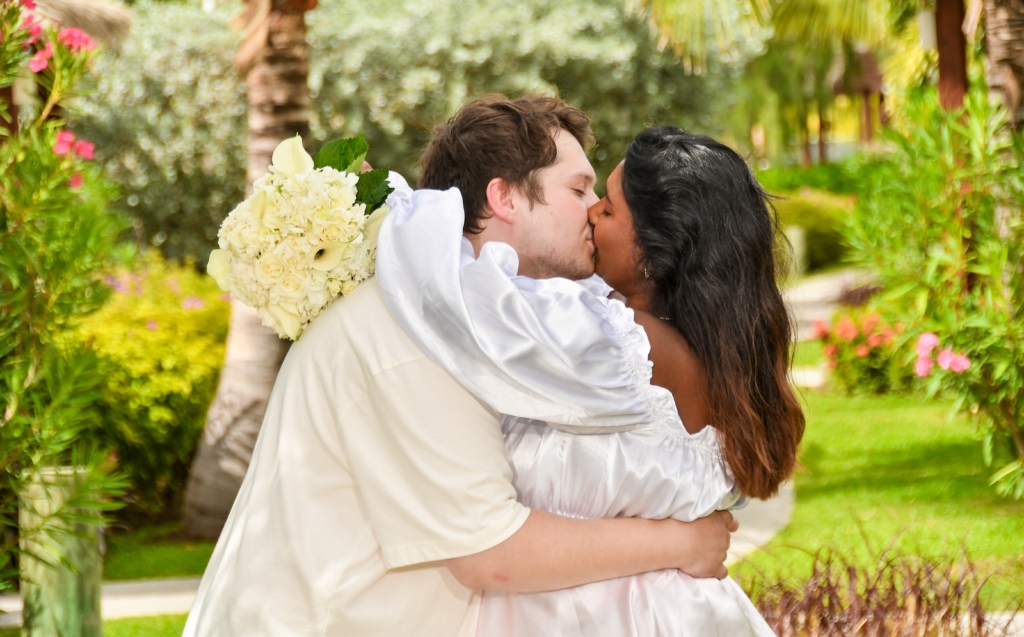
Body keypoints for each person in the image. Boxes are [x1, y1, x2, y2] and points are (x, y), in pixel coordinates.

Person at [183, 97, 737, 637]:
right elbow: (489, 551)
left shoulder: (477, 327)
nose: (595, 209)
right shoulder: (417, 328)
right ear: (505, 198)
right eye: (578, 188)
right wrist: (684, 543)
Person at [377, 126, 805, 635]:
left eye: (609, 207)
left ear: (653, 248)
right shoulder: (720, 363)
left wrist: (394, 210)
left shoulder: (621, 344)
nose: (591, 212)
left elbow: (467, 301)